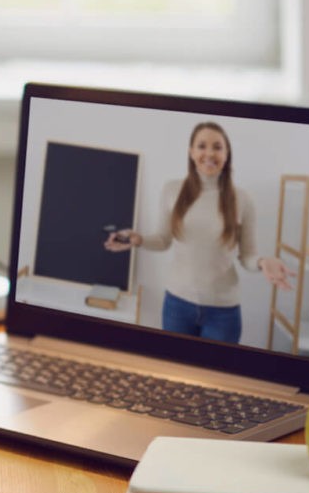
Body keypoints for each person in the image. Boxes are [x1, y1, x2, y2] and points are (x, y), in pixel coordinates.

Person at [103, 120, 293, 344]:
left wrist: (262, 262)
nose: (209, 153)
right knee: (174, 375)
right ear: (191, 152)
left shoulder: (243, 199)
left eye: (217, 147)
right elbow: (163, 240)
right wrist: (139, 239)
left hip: (223, 312)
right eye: (202, 146)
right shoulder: (172, 190)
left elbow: (247, 256)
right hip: (177, 306)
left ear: (227, 153)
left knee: (217, 378)